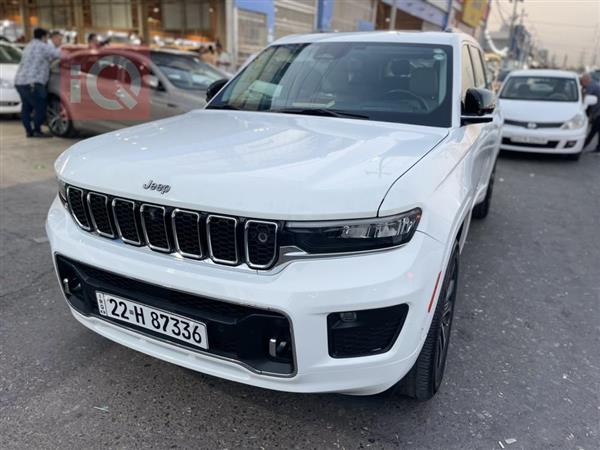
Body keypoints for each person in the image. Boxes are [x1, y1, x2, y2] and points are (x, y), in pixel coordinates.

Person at [14, 27, 61, 138]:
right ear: (44, 37)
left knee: (26, 107)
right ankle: (37, 130)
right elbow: (59, 54)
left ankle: (29, 132)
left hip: (20, 82)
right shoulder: (43, 46)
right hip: (33, 83)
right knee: (40, 106)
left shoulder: (29, 46)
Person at [581, 73, 600, 153]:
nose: (582, 84)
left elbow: (584, 99)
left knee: (594, 130)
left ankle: (583, 146)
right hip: (597, 111)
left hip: (598, 112)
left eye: (582, 82)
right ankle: (598, 148)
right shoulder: (594, 84)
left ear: (586, 81)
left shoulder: (590, 86)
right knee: (597, 130)